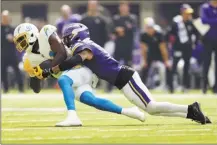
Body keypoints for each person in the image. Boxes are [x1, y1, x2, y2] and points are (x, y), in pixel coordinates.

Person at [36, 23, 211, 125]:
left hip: (126, 77)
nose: (65, 40)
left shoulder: (83, 45)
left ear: (74, 35)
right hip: (122, 81)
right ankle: (191, 112)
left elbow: (79, 59)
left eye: (67, 37)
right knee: (152, 110)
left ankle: (190, 109)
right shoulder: (85, 43)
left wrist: (54, 69)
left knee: (152, 107)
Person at [13, 23, 145, 127]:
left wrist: (49, 70)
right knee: (90, 99)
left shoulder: (45, 33)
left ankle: (72, 116)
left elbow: (62, 53)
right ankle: (130, 111)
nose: (19, 44)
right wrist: (36, 76)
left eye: (21, 39)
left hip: (80, 67)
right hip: (72, 79)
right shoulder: (27, 59)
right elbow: (36, 90)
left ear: (31, 35)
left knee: (63, 79)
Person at [167, 4, 200, 93]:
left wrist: (195, 43)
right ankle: (171, 87)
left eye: (189, 13)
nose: (188, 15)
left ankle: (185, 86)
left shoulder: (191, 23)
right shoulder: (176, 23)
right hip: (177, 48)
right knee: (174, 67)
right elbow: (169, 34)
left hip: (187, 48)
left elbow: (196, 34)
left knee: (187, 68)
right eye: (186, 13)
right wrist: (172, 44)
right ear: (182, 12)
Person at [140, 17, 171, 90]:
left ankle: (170, 87)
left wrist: (166, 61)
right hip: (150, 53)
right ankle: (141, 87)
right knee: (144, 69)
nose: (149, 29)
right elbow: (143, 49)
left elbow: (163, 49)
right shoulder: (143, 35)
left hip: (160, 53)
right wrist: (144, 61)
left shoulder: (159, 34)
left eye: (150, 27)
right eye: (148, 27)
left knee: (168, 68)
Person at [1, 10, 24, 93]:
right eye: (3, 17)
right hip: (2, 54)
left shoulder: (13, 29)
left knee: (17, 71)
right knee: (3, 72)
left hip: (12, 54)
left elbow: (19, 40)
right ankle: (6, 89)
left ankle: (20, 89)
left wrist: (13, 39)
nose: (5, 19)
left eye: (6, 17)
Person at [112, 1, 137, 66]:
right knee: (115, 65)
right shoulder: (116, 18)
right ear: (119, 8)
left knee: (128, 66)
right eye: (122, 6)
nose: (123, 8)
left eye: (125, 6)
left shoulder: (132, 18)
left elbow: (133, 29)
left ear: (128, 7)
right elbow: (112, 30)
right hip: (118, 46)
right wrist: (117, 31)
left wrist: (123, 30)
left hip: (128, 47)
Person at [200, 0, 217, 94]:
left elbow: (208, 21)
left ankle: (216, 88)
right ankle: (204, 87)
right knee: (206, 63)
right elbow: (203, 20)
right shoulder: (205, 7)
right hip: (207, 39)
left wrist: (212, 21)